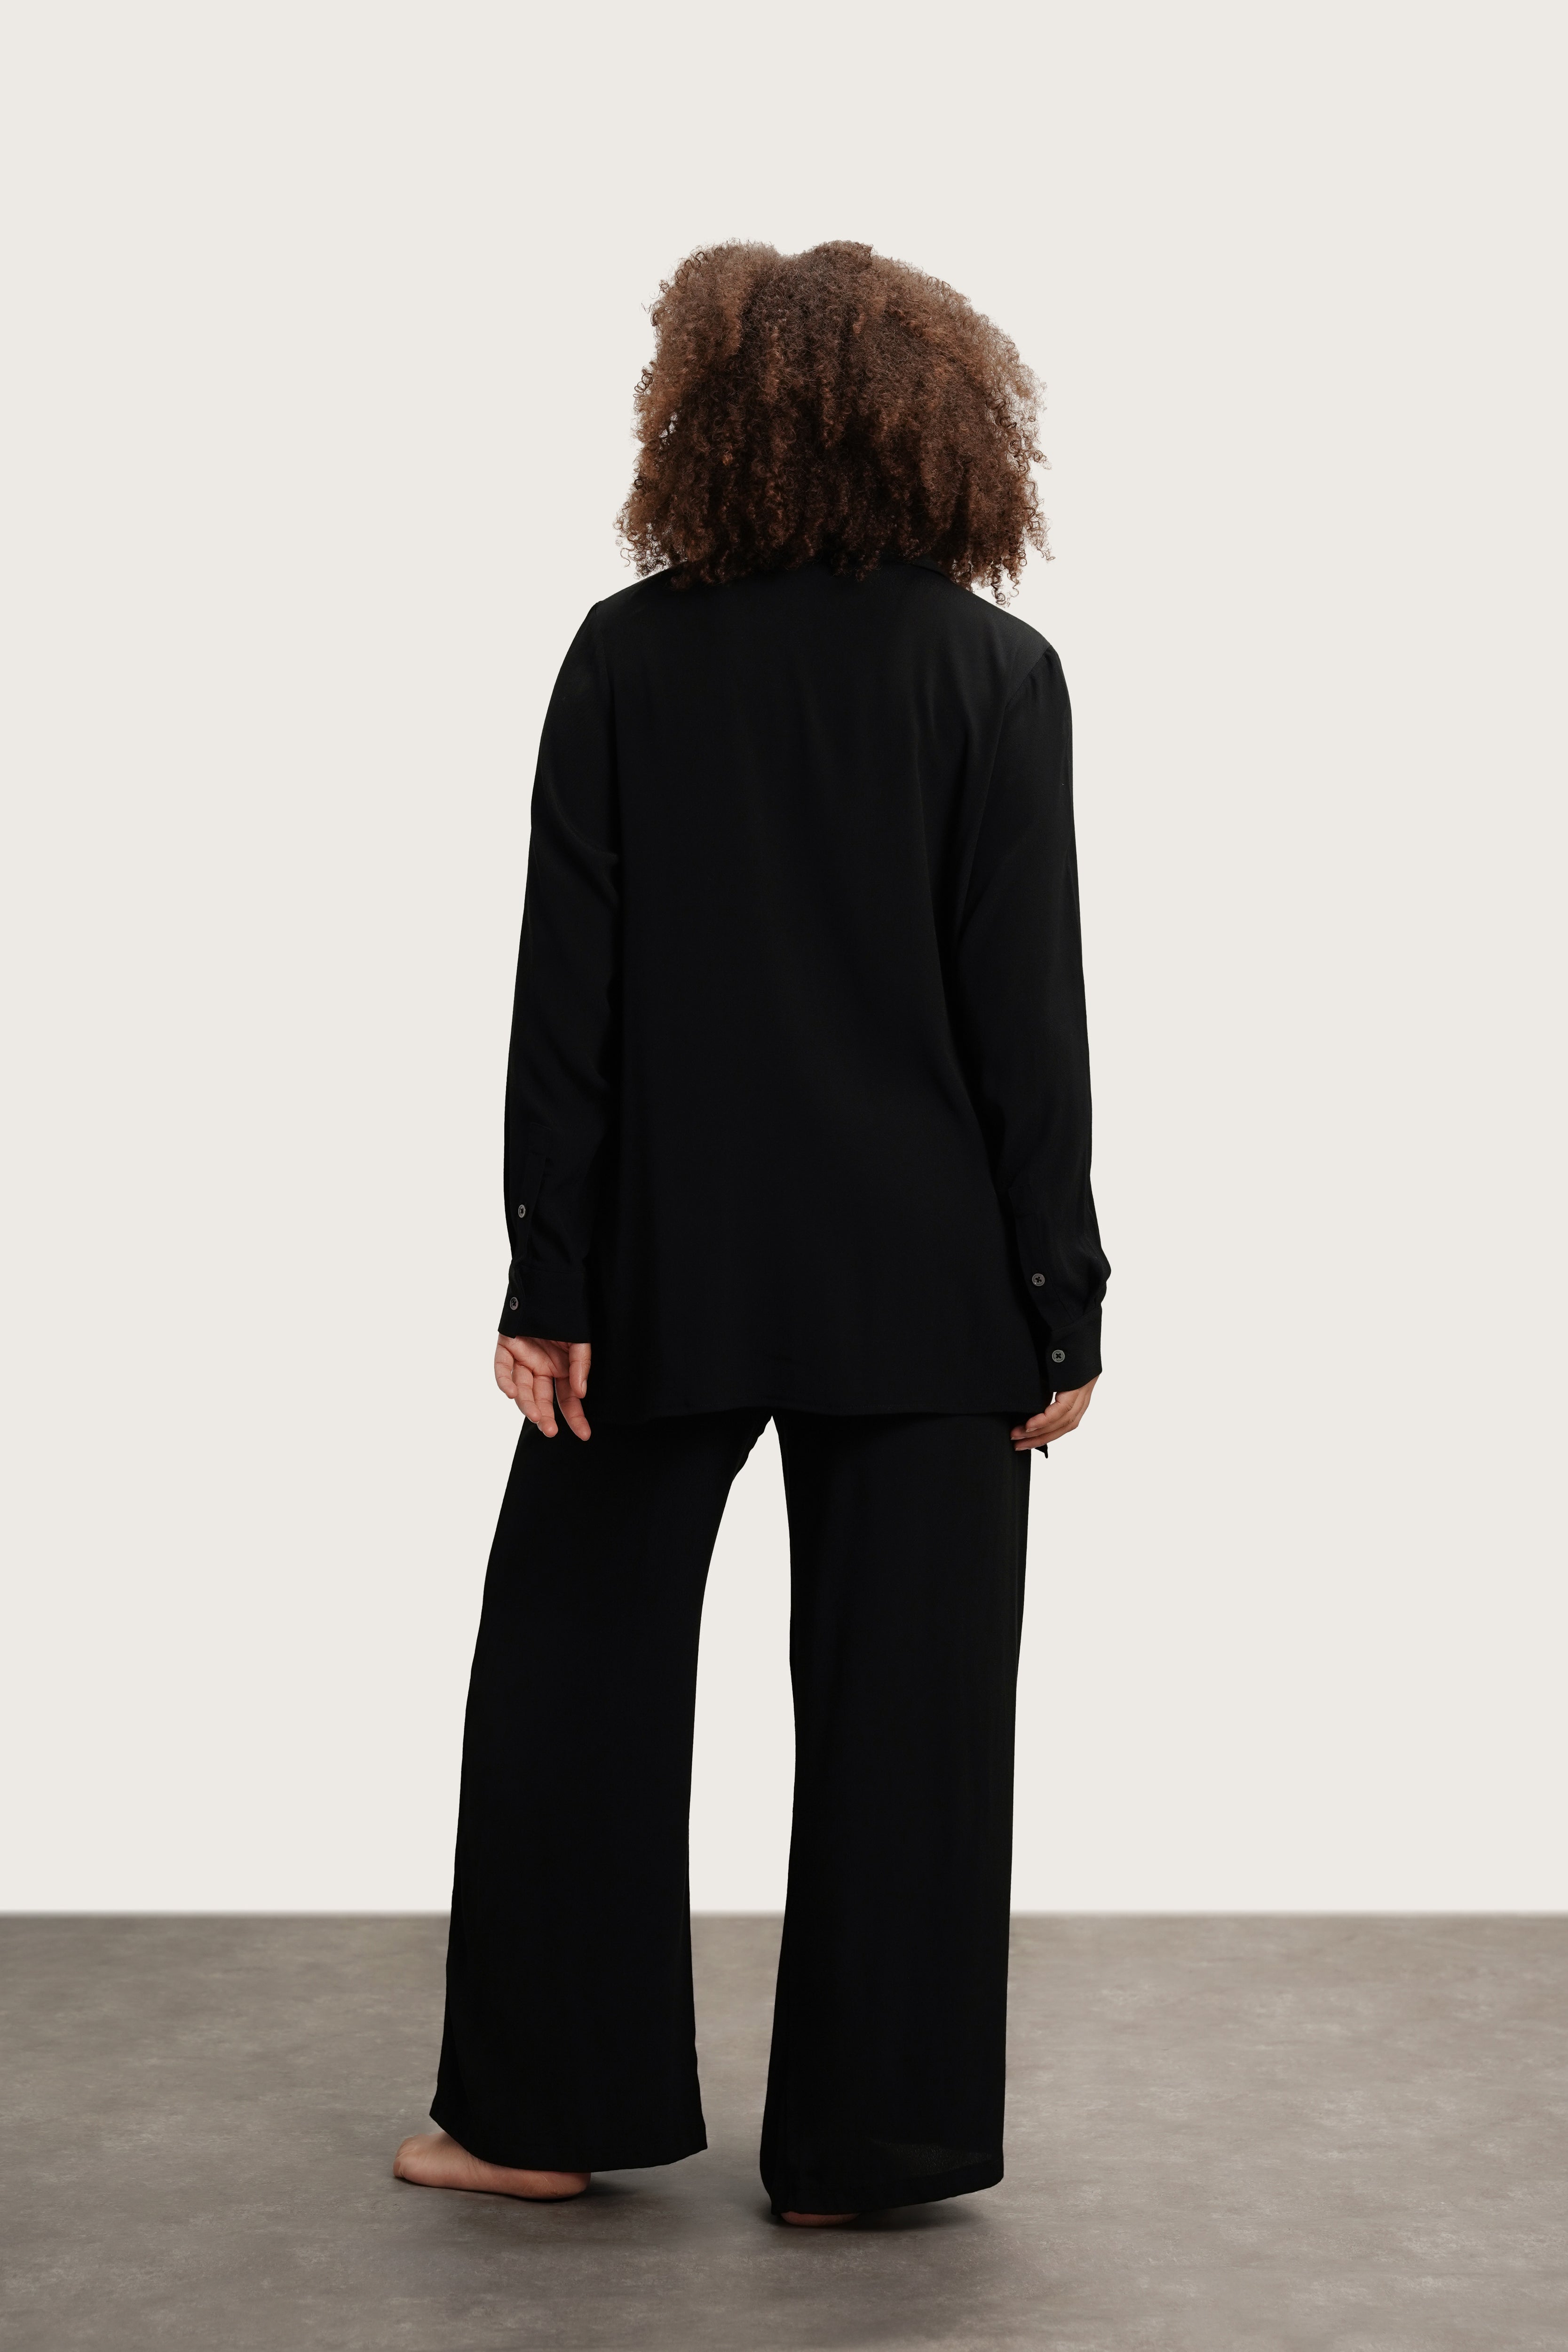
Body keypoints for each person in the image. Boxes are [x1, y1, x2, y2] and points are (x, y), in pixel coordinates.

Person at [394, 239, 1109, 2226]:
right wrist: (1061, 1299)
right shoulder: (996, 675)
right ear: (947, 426)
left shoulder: (629, 657)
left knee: (573, 1681)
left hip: (659, 1273)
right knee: (915, 1724)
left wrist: (549, 1271)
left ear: (706, 419)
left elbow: (569, 997)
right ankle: (870, 2155)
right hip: (932, 1283)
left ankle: (538, 2113)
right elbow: (1026, 1021)